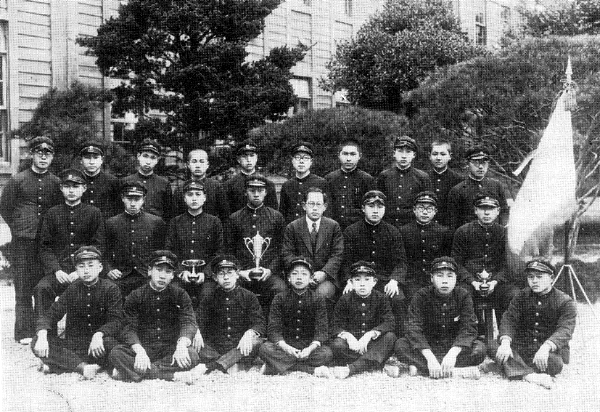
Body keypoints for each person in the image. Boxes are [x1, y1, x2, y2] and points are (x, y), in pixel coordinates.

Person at [0, 136, 61, 344]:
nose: (43, 157)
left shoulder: (56, 183)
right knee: (23, 286)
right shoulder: (18, 180)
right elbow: (5, 208)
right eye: (39, 153)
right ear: (31, 155)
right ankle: (24, 331)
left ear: (52, 157)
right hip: (23, 242)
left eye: (48, 154)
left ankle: (45, 329)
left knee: (45, 286)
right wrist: (19, 227)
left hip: (46, 243)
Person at [32, 246, 123, 379]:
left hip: (101, 343)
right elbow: (51, 314)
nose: (86, 270)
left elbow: (116, 321)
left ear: (100, 267)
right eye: (81, 266)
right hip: (76, 344)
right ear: (76, 269)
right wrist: (42, 335)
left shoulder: (111, 289)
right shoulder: (72, 289)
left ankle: (60, 364)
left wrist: (99, 334)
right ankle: (84, 367)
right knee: (36, 341)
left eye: (91, 265)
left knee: (116, 348)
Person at [108, 250, 199, 382]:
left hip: (170, 348)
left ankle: (136, 372)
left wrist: (181, 346)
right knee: (116, 353)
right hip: (145, 347)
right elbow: (128, 328)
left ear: (172, 276)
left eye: (168, 272)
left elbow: (188, 322)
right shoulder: (136, 296)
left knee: (192, 355)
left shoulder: (180, 295)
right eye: (159, 270)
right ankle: (172, 375)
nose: (162, 276)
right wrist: (139, 351)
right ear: (149, 271)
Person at [389, 257, 485, 380]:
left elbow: (469, 328)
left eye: (450, 276)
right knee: (400, 345)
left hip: (453, 346)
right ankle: (455, 371)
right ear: (431, 278)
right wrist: (430, 358)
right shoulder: (421, 295)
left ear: (456, 278)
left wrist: (452, 354)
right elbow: (413, 328)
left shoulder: (463, 295)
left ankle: (422, 369)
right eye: (439, 276)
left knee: (480, 349)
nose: (445, 281)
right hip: (428, 347)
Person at [493, 259, 577, 389]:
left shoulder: (565, 301)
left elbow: (565, 330)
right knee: (492, 345)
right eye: (531, 277)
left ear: (551, 278)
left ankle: (511, 366)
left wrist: (546, 347)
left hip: (546, 350)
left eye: (539, 277)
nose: (534, 281)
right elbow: (509, 319)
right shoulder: (521, 296)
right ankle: (530, 376)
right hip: (523, 347)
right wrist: (505, 343)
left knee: (554, 363)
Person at [34, 169, 104, 320]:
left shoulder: (94, 213)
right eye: (67, 186)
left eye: (76, 186)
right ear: (61, 188)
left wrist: (80, 271)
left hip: (84, 271)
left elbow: (98, 246)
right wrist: (56, 270)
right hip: (59, 271)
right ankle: (44, 330)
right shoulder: (52, 213)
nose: (71, 191)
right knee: (42, 288)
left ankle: (81, 331)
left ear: (84, 188)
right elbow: (44, 247)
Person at [182, 255, 265, 381]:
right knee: (192, 346)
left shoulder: (249, 296)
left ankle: (212, 366)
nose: (226, 277)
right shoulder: (209, 297)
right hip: (215, 348)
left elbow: (259, 323)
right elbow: (196, 319)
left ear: (237, 275)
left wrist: (250, 333)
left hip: (240, 346)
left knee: (257, 342)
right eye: (221, 274)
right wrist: (196, 330)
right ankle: (231, 364)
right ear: (215, 278)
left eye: (230, 273)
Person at [451, 194, 519, 335]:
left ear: (498, 211)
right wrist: (473, 282)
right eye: (482, 209)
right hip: (470, 282)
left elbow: (508, 264)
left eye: (491, 209)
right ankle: (474, 335)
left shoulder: (504, 233)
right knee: (462, 294)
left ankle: (507, 336)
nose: (487, 213)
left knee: (513, 294)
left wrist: (495, 281)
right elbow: (457, 263)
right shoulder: (463, 231)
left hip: (497, 283)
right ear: (476, 210)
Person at [341, 190, 407, 332]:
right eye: (371, 206)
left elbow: (401, 262)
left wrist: (394, 280)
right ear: (363, 208)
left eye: (380, 207)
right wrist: (349, 280)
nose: (375, 211)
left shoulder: (393, 232)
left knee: (398, 299)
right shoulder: (351, 231)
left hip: (384, 280)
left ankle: (398, 338)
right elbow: (345, 261)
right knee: (347, 297)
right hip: (359, 279)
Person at [259, 258, 333, 377]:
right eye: (294, 274)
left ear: (310, 279)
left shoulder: (318, 299)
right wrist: (286, 347)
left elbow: (322, 329)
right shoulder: (279, 298)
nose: (299, 278)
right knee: (264, 349)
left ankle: (274, 366)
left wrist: (310, 349)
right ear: (288, 278)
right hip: (285, 346)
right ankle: (311, 370)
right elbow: (274, 329)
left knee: (326, 354)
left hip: (308, 347)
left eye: (304, 274)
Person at [225, 175, 287, 311]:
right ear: (245, 192)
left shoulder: (276, 217)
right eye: (252, 191)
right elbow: (229, 250)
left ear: (266, 192)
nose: (256, 194)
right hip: (243, 273)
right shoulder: (235, 218)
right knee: (229, 288)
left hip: (268, 273)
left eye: (260, 190)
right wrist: (239, 271)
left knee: (280, 289)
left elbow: (282, 249)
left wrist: (270, 270)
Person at [97, 181, 166, 299]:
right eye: (129, 199)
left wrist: (154, 270)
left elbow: (162, 250)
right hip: (120, 276)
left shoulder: (156, 222)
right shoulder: (111, 223)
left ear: (143, 199)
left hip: (146, 276)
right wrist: (109, 269)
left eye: (137, 199)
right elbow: (103, 249)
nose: (133, 203)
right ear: (123, 199)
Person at [329, 261, 397, 379]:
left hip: (371, 344)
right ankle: (375, 363)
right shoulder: (344, 299)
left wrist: (370, 334)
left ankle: (352, 368)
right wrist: (348, 336)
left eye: (367, 279)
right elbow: (335, 325)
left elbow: (390, 322)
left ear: (374, 282)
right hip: (352, 345)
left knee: (390, 337)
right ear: (351, 282)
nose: (362, 284)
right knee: (337, 345)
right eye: (357, 279)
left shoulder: (381, 298)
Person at [281, 187, 343, 308]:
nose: (315, 208)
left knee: (322, 295)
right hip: (299, 276)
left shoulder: (333, 226)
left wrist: (324, 273)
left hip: (325, 278)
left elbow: (337, 254)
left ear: (325, 207)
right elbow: (287, 254)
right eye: (311, 204)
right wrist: (304, 273)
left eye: (318, 204)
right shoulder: (293, 227)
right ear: (304, 206)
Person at [166, 179, 223, 308]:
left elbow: (219, 251)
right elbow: (169, 250)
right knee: (174, 294)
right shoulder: (175, 222)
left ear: (204, 198)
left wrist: (206, 273)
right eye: (190, 194)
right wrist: (181, 271)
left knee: (208, 295)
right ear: (184, 199)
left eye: (198, 194)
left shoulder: (214, 222)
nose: (194, 198)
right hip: (181, 273)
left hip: (206, 274)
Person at [399, 191, 453, 300]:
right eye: (421, 208)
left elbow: (446, 259)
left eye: (429, 209)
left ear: (435, 211)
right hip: (412, 279)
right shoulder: (403, 231)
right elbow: (402, 260)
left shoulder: (443, 232)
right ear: (414, 210)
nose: (425, 212)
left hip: (435, 277)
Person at [447, 146, 510, 230]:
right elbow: (453, 222)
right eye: (476, 162)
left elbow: (504, 212)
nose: (480, 167)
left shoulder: (496, 186)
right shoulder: (458, 190)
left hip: (493, 234)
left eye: (484, 162)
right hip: (469, 235)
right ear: (468, 164)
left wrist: (502, 230)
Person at [377, 135, 430, 228]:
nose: (404, 156)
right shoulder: (384, 176)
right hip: (388, 226)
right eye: (400, 151)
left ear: (414, 155)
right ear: (394, 153)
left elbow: (426, 204)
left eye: (408, 152)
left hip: (412, 227)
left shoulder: (422, 177)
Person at [324, 139, 375, 230]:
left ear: (359, 156)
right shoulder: (329, 179)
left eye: (352, 154)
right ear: (339, 155)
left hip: (359, 230)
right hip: (333, 229)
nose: (348, 158)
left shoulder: (367, 180)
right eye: (345, 154)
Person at [121, 138, 174, 220]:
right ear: (138, 156)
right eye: (145, 156)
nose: (148, 161)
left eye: (153, 158)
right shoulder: (126, 181)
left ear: (157, 160)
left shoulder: (164, 184)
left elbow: (168, 214)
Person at [174, 148, 230, 222]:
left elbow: (224, 215)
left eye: (202, 162)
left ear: (207, 165)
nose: (198, 165)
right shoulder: (180, 189)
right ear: (188, 165)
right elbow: (175, 217)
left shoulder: (216, 187)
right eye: (194, 162)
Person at [279, 141, 329, 224]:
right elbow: (282, 213)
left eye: (306, 158)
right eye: (297, 157)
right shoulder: (287, 185)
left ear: (311, 161)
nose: (301, 161)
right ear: (292, 161)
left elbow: (327, 212)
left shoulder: (321, 183)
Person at [225, 140, 278, 213]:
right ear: (238, 159)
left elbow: (273, 213)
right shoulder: (229, 185)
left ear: (256, 158)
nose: (249, 160)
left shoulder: (268, 184)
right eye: (244, 156)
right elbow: (226, 213)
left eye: (252, 156)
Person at [78, 140, 121, 219]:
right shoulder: (76, 180)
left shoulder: (112, 181)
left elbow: (118, 209)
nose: (91, 162)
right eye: (87, 158)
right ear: (81, 160)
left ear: (102, 160)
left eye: (95, 158)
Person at [427, 140, 463, 228]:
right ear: (429, 156)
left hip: (449, 227)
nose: (438, 158)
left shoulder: (458, 180)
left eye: (443, 154)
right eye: (435, 154)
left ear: (450, 156)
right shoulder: (423, 178)